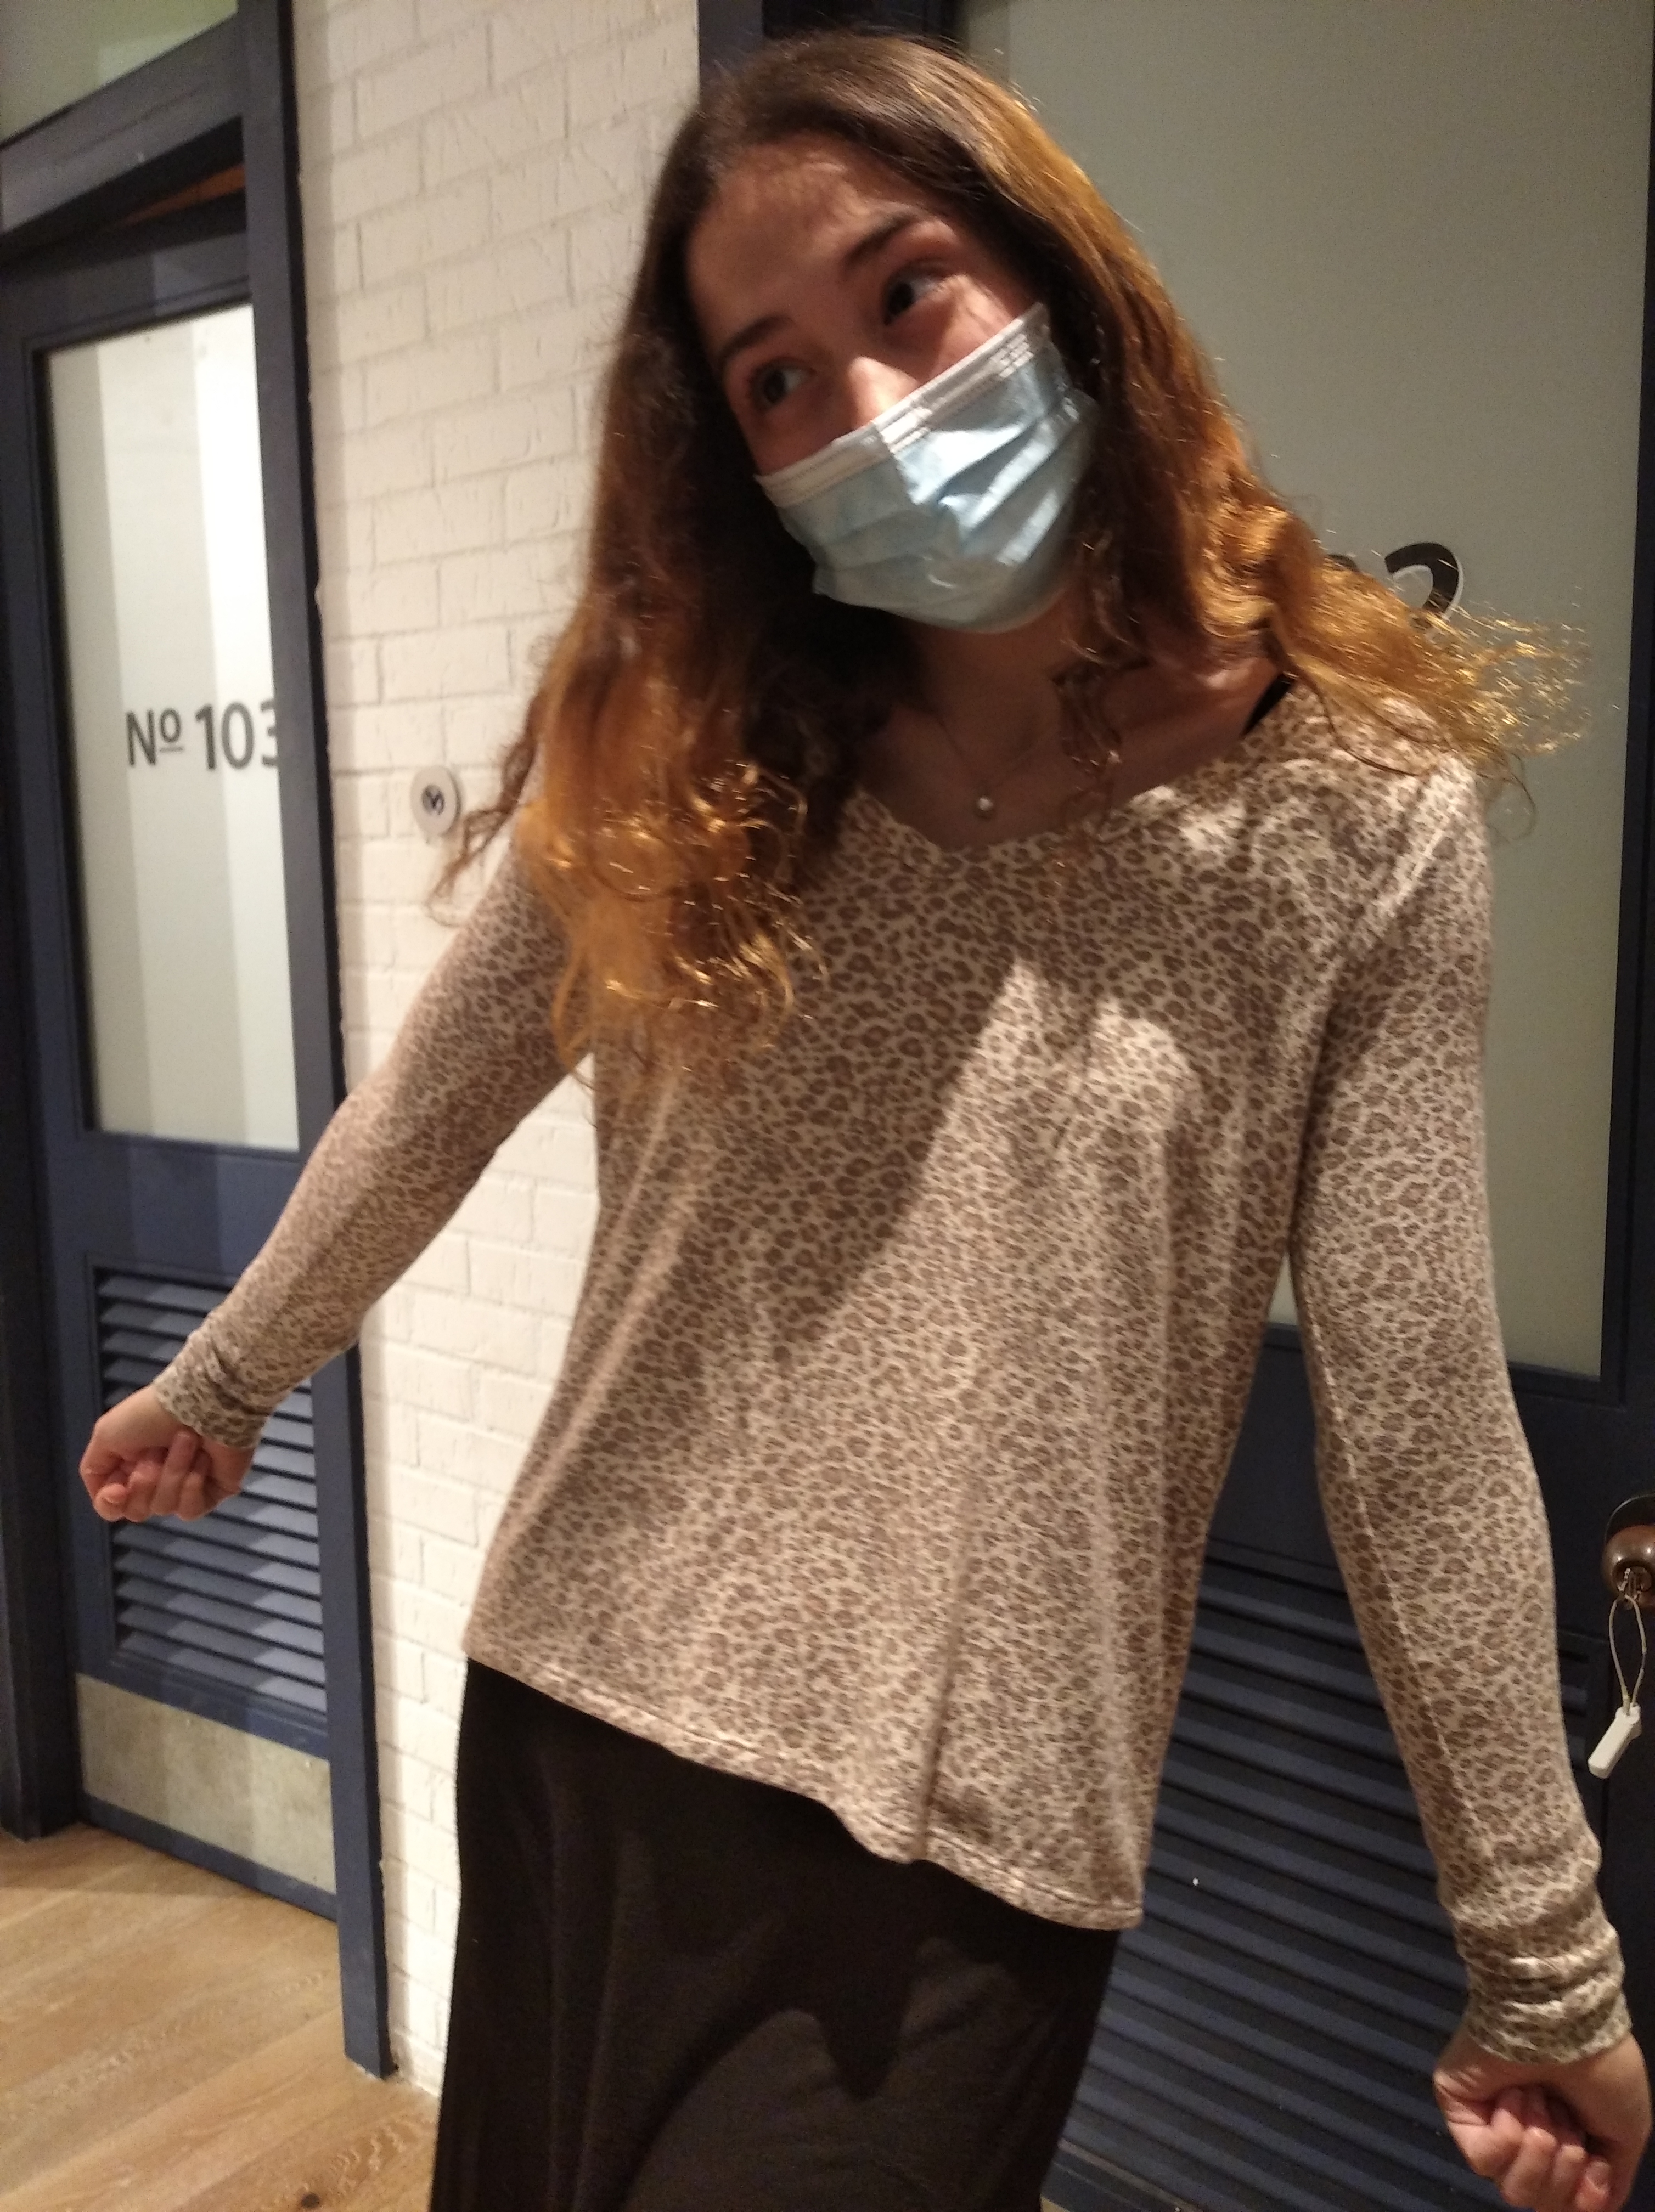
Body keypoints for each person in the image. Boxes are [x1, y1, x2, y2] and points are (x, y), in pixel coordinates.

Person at [79, 32, 1650, 2212]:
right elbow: (437, 1099)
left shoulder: (1348, 821)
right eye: (778, 379)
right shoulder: (691, 747)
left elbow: (1415, 1417)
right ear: (733, 453)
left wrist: (1542, 1958)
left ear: (1057, 281)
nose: (875, 404)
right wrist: (230, 1372)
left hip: (967, 1831)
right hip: (582, 1704)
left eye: (908, 291)